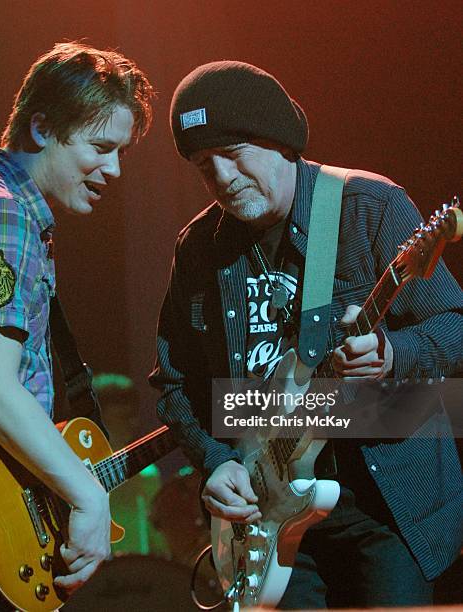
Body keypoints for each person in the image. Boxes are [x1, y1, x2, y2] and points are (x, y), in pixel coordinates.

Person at [149, 61, 463, 608]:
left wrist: (394, 355)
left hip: (388, 508)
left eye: (234, 152)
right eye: (204, 165)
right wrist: (215, 461)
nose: (222, 178)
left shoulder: (371, 207)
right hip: (271, 522)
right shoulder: (198, 248)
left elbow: (455, 326)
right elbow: (176, 382)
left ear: (280, 141)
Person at [0, 41, 154, 596]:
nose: (114, 169)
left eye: (122, 152)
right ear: (41, 128)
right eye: (101, 147)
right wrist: (85, 493)